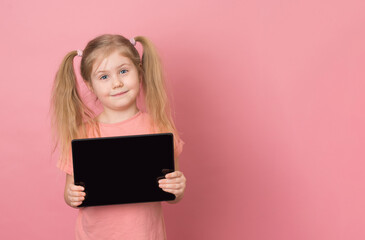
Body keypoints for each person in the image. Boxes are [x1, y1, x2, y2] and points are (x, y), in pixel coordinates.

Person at [50, 34, 186, 239]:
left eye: (123, 71)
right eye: (104, 77)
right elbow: (70, 193)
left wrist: (178, 187)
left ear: (139, 71)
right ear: (89, 84)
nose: (117, 83)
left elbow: (172, 195)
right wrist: (71, 195)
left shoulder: (159, 127)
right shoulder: (82, 134)